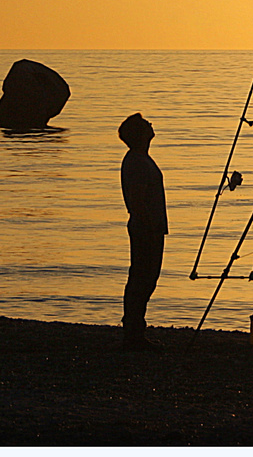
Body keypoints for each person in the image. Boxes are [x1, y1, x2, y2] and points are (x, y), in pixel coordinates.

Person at [118, 113, 167, 350]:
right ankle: (133, 332)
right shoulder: (136, 162)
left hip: (150, 227)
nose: (151, 125)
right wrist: (149, 224)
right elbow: (137, 200)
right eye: (145, 124)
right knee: (142, 278)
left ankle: (135, 328)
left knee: (146, 278)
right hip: (145, 228)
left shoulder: (140, 159)